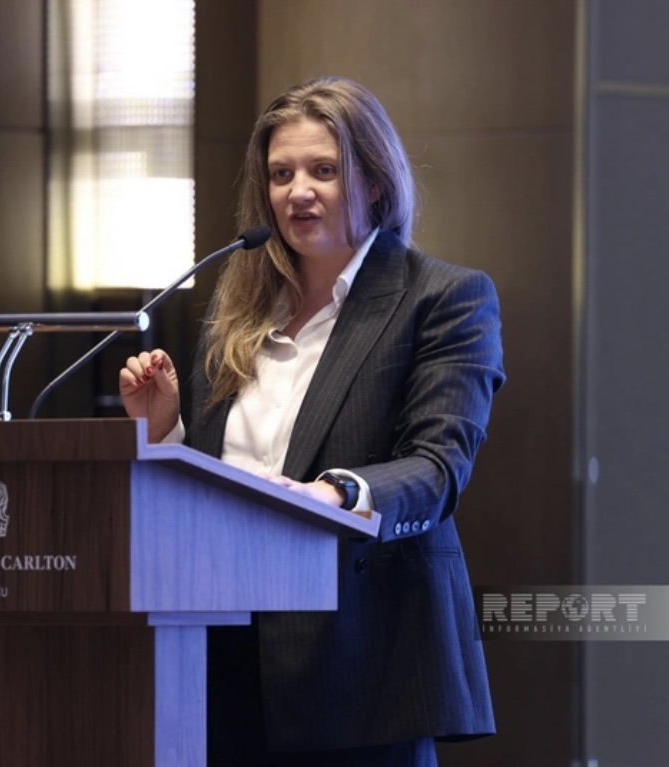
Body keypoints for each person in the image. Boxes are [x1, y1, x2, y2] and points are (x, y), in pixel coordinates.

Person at [119, 76, 505, 766]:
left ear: (375, 182)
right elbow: (218, 484)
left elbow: (438, 466)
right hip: (221, 657)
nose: (298, 191)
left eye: (323, 170)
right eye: (281, 174)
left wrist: (336, 494)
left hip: (360, 667)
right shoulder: (237, 309)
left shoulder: (443, 298)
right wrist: (166, 432)